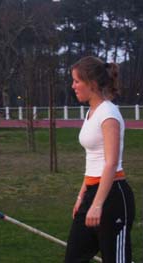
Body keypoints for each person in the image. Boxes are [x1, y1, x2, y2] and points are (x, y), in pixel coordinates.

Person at [64, 56, 135, 263]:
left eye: (77, 81)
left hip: (113, 196)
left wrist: (97, 204)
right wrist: (82, 196)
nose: (73, 86)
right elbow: (93, 160)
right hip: (93, 192)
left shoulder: (109, 114)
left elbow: (111, 163)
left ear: (92, 83)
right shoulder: (91, 112)